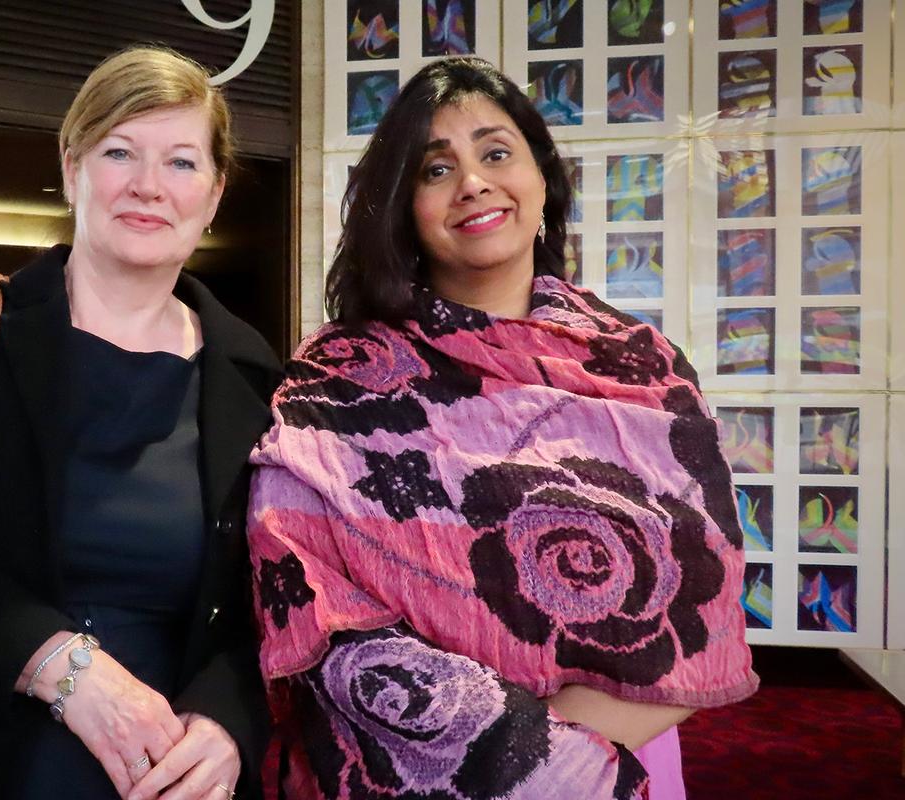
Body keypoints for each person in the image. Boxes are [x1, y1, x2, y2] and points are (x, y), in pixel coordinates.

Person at [247, 57, 758, 800]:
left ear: (541, 179)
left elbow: (702, 584)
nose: (472, 183)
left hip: (616, 759)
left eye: (495, 153)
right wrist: (500, 757)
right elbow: (309, 586)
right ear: (403, 207)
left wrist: (548, 767)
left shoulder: (643, 369)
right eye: (434, 169)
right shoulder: (338, 380)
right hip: (409, 776)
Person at [0, 46, 281, 800]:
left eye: (180, 162)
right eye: (118, 152)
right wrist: (67, 670)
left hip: (163, 779)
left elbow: (261, 613)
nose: (147, 186)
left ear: (214, 194)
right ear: (72, 168)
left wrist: (230, 726)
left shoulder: (251, 370)